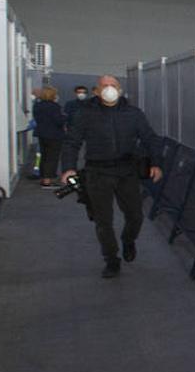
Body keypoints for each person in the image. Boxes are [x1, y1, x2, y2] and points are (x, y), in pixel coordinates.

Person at [61, 75, 163, 279]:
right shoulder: (85, 114)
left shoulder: (133, 114)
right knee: (103, 220)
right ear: (96, 91)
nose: (109, 89)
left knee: (135, 216)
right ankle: (111, 259)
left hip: (127, 172)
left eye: (113, 86)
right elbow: (72, 142)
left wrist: (156, 163)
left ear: (120, 90)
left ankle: (128, 240)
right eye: (105, 86)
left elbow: (150, 138)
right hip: (97, 173)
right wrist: (69, 168)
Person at [32, 86, 68, 187]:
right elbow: (58, 120)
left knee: (44, 156)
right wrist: (65, 117)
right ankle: (48, 179)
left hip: (41, 133)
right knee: (52, 157)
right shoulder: (54, 106)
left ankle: (44, 177)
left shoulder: (37, 105)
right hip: (54, 135)